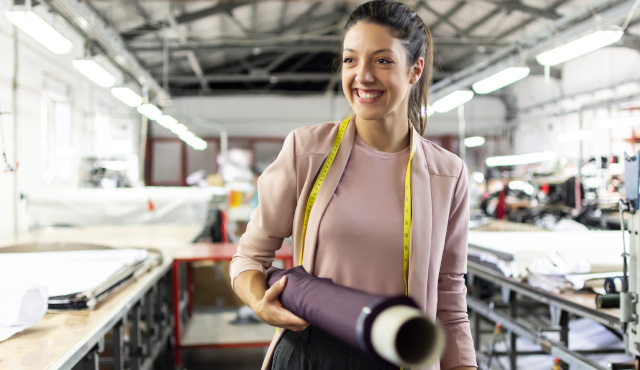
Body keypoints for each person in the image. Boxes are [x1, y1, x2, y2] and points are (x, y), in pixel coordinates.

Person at [229, 1, 477, 369]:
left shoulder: (447, 174)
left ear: (414, 70)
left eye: (382, 60)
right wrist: (258, 302)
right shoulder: (307, 151)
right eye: (350, 60)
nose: (362, 76)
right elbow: (249, 257)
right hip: (312, 355)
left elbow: (449, 298)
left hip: (403, 357)